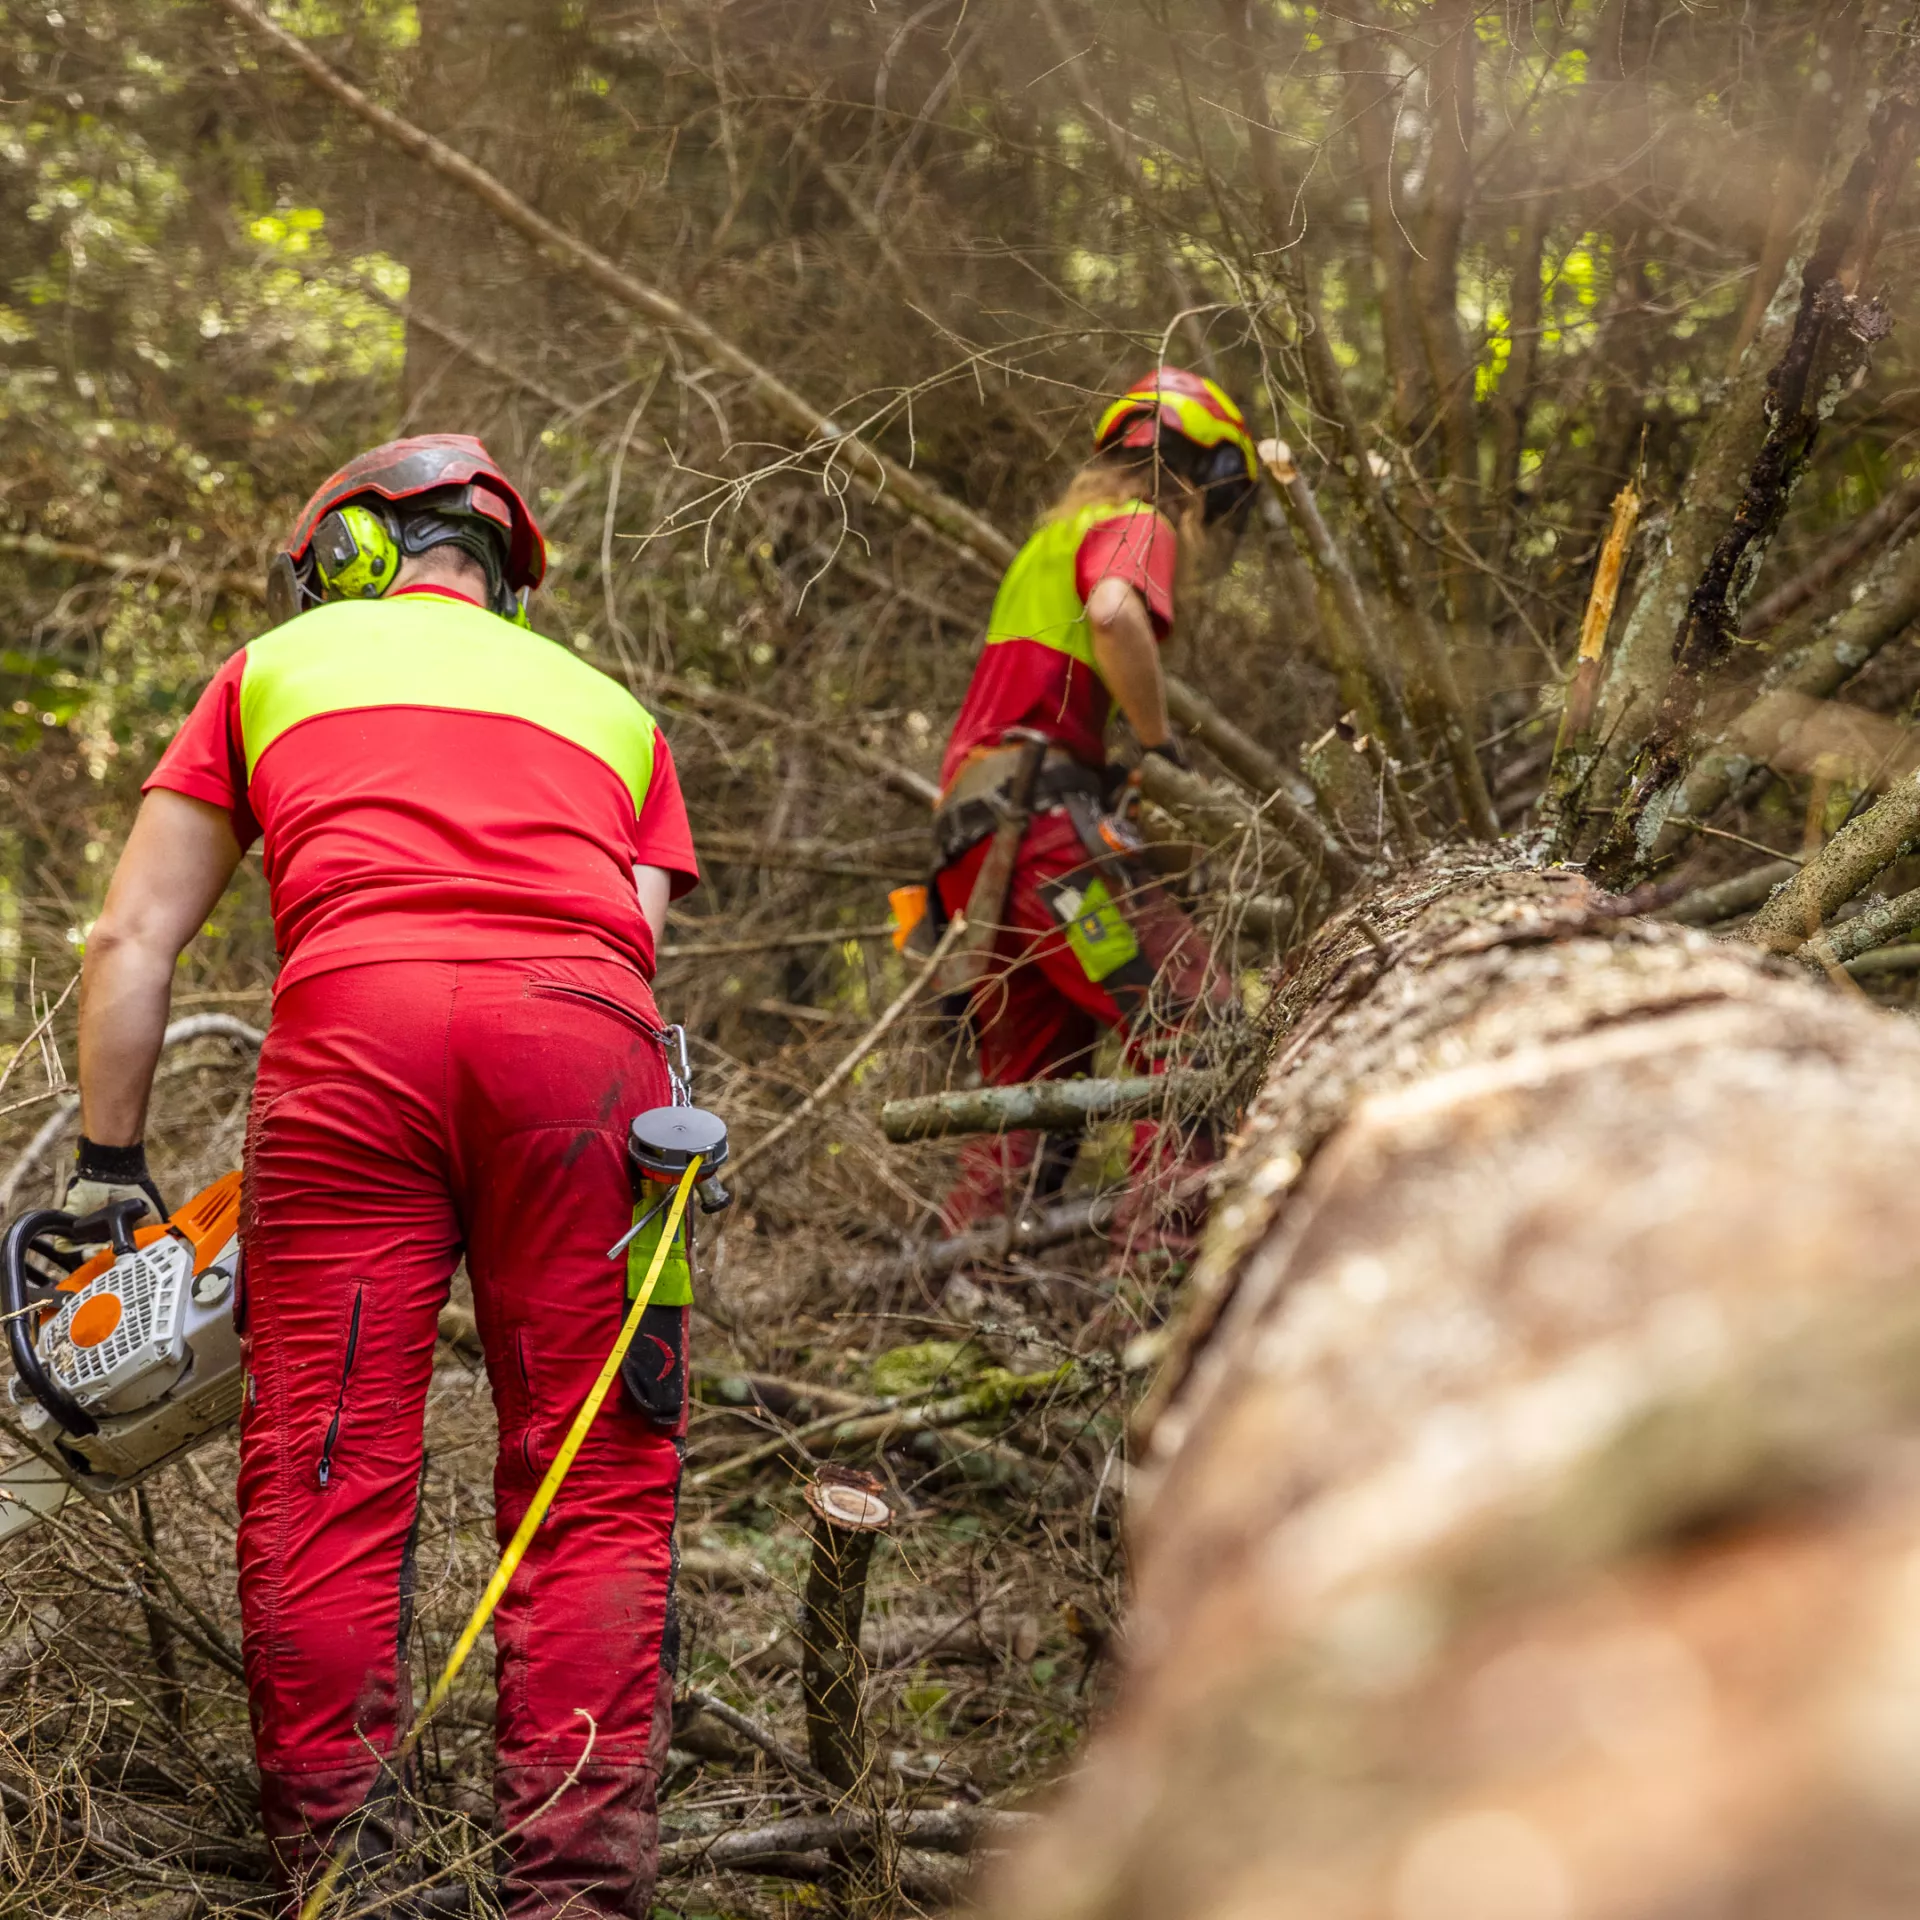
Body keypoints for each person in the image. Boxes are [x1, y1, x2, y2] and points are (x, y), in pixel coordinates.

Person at [65, 435, 700, 1918]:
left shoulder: (271, 670)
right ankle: (573, 1893)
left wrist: (109, 1166)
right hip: (582, 1055)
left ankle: (351, 1881)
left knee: (329, 1472)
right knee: (597, 1480)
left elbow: (129, 941)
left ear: (344, 552)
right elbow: (634, 943)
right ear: (510, 586)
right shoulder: (619, 717)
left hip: (357, 1040)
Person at [930, 367, 1256, 1239]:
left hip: (978, 846)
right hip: (1044, 843)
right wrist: (1154, 742)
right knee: (1195, 1022)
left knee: (1033, 1086)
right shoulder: (1138, 521)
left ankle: (966, 1291)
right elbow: (1114, 614)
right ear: (1208, 473)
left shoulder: (1055, 534)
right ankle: (1155, 1282)